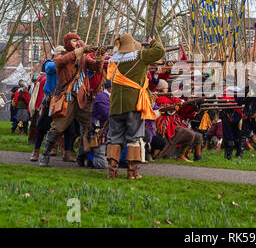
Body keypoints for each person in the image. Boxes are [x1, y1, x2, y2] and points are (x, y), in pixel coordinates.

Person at [39, 32, 105, 167]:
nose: (78, 42)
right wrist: (80, 51)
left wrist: (100, 57)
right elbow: (60, 62)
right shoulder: (61, 55)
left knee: (91, 127)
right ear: (68, 42)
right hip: (66, 97)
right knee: (57, 128)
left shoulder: (84, 58)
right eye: (74, 40)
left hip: (83, 98)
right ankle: (44, 155)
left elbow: (97, 69)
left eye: (78, 40)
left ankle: (87, 156)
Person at [106, 33, 165, 179]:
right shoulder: (139, 56)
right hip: (134, 104)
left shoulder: (112, 60)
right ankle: (132, 173)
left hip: (115, 106)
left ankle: (112, 172)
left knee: (114, 138)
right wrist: (154, 42)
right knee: (134, 138)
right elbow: (160, 51)